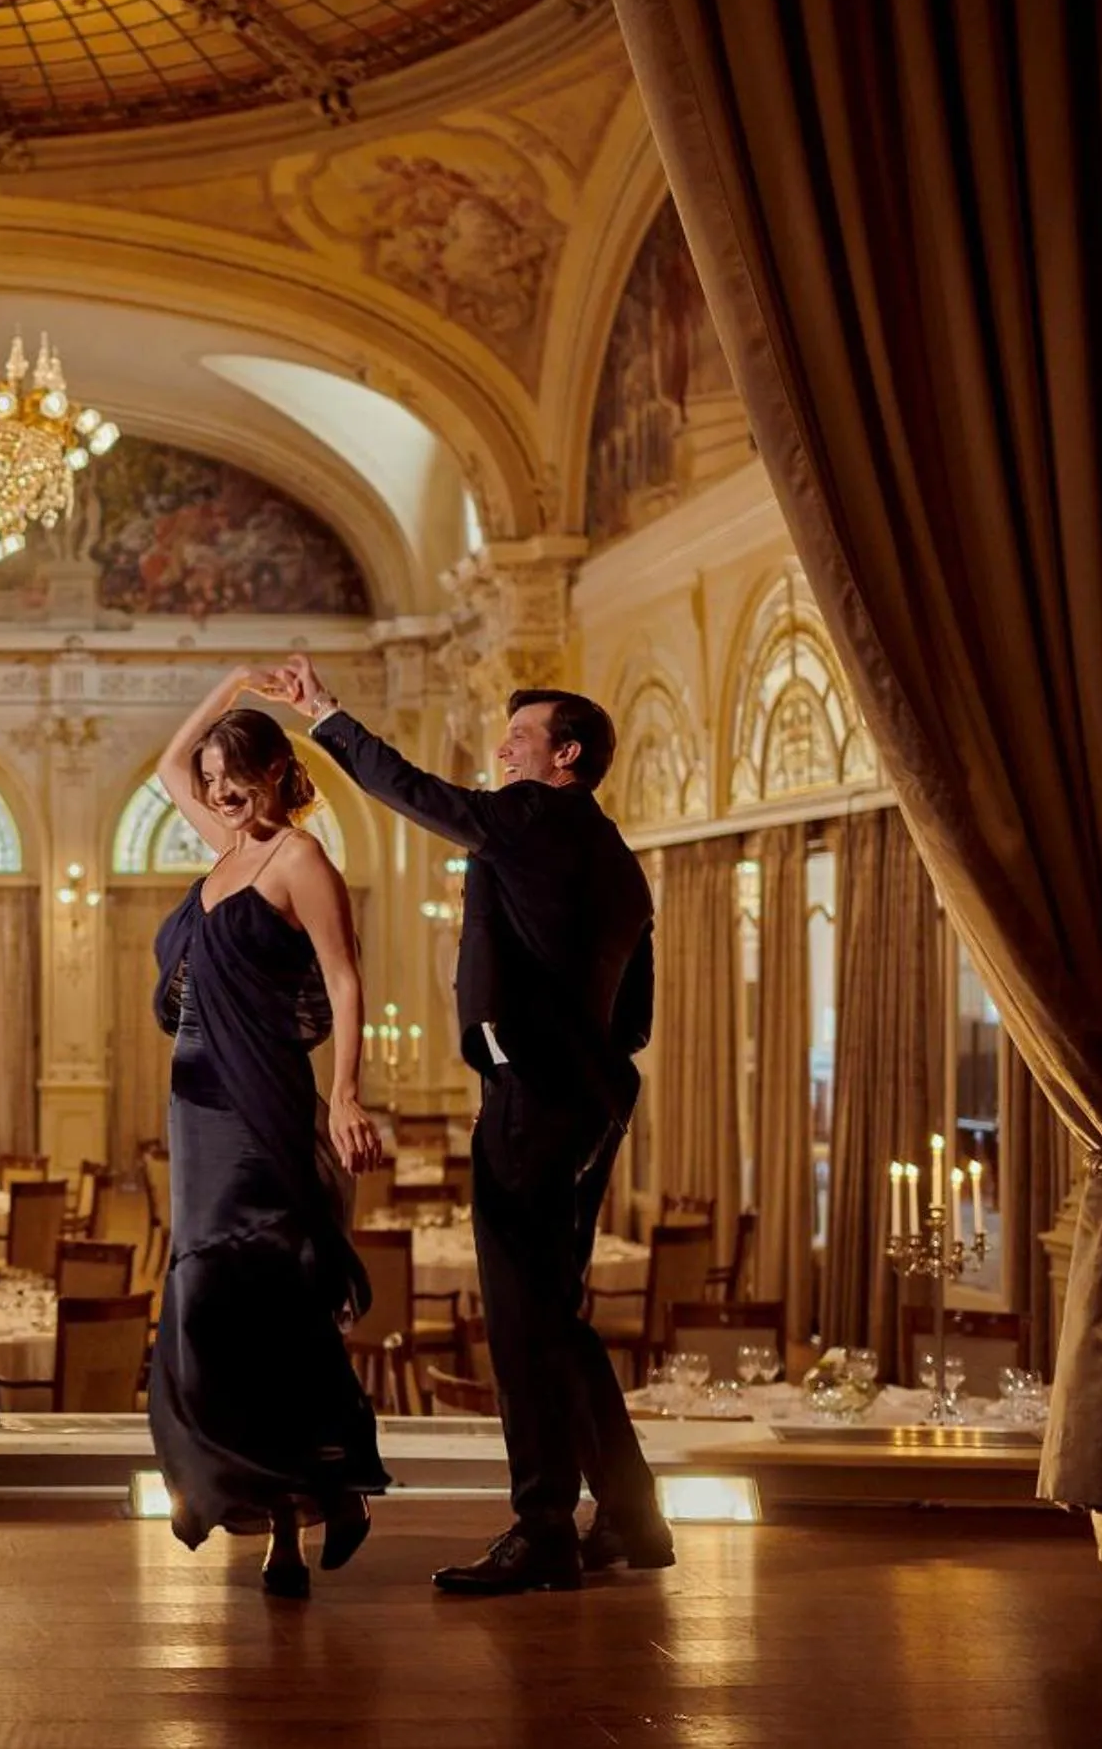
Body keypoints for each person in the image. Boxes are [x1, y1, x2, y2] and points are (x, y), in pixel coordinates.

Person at [273, 653, 672, 1595]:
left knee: (520, 1321)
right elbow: (638, 1019)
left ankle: (543, 1530)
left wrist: (327, 715)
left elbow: (416, 792)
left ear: (565, 755)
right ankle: (631, 1517)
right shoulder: (616, 859)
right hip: (592, 1100)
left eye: (522, 736)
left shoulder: (537, 819)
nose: (503, 747)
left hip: (531, 1100)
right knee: (555, 1316)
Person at [146, 667, 391, 1598]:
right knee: (204, 1296)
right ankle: (222, 1476)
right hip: (195, 1100)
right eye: (209, 781)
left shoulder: (299, 861)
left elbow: (345, 978)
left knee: (267, 1305)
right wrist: (231, 685)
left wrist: (346, 1093)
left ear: (274, 771)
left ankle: (292, 1524)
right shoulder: (222, 848)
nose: (212, 792)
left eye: (229, 777)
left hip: (265, 1102)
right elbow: (167, 764)